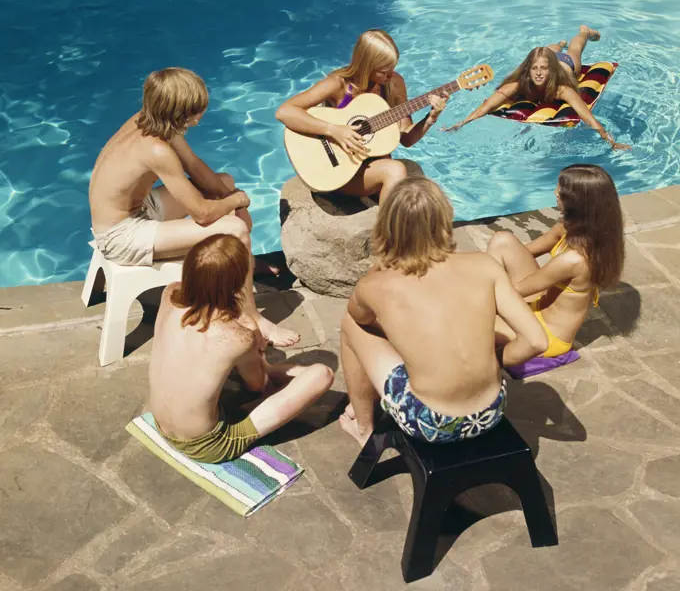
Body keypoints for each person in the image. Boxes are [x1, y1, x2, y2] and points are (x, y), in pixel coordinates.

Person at [89, 67, 298, 346]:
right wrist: (237, 201)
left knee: (224, 182)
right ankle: (253, 318)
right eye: (196, 111)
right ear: (179, 112)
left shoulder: (149, 120)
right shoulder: (155, 150)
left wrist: (227, 191)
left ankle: (242, 262)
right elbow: (201, 213)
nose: (199, 118)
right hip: (120, 235)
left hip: (136, 210)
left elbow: (194, 166)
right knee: (235, 229)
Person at [337, 176, 548, 447]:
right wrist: (492, 362)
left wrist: (379, 271)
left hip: (429, 421)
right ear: (445, 219)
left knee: (351, 326)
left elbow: (361, 318)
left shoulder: (374, 286)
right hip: (491, 411)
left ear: (387, 226)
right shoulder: (484, 265)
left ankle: (364, 428)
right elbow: (536, 341)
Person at [149, 233, 334, 463]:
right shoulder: (235, 338)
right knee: (321, 375)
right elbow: (258, 385)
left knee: (234, 363)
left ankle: (278, 368)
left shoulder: (170, 293)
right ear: (237, 283)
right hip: (207, 445)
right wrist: (255, 344)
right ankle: (286, 371)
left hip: (161, 423)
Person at [275, 29, 450, 203]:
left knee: (418, 190)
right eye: (384, 70)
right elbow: (285, 111)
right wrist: (333, 130)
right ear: (367, 65)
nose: (391, 75)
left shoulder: (394, 83)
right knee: (395, 171)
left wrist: (430, 118)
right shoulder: (338, 83)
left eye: (393, 68)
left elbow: (406, 138)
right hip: (338, 170)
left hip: (372, 166)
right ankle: (387, 230)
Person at [486, 164, 624, 359]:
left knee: (470, 322)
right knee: (503, 241)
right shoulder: (571, 229)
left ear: (575, 202)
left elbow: (513, 291)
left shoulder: (574, 260)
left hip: (546, 334)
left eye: (560, 191)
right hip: (540, 302)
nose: (555, 193)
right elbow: (524, 252)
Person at [443, 26, 632, 151]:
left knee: (575, 49)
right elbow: (487, 106)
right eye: (534, 68)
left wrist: (611, 141)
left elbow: (588, 117)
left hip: (567, 67)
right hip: (552, 58)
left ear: (550, 70)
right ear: (528, 69)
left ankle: (584, 32)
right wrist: (462, 123)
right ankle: (559, 44)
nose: (539, 73)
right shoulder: (518, 85)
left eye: (543, 69)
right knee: (549, 50)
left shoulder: (562, 89)